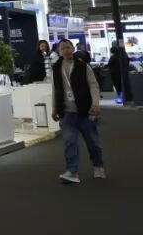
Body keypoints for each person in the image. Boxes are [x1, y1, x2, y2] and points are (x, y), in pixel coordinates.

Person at [52, 38, 104, 184]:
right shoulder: (56, 68)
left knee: (93, 141)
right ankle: (72, 171)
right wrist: (54, 107)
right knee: (70, 141)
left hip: (84, 110)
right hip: (66, 112)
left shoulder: (83, 66)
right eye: (63, 48)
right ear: (59, 51)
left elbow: (93, 85)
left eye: (68, 47)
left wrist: (95, 103)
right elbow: (55, 89)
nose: (66, 50)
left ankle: (98, 166)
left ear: (73, 49)